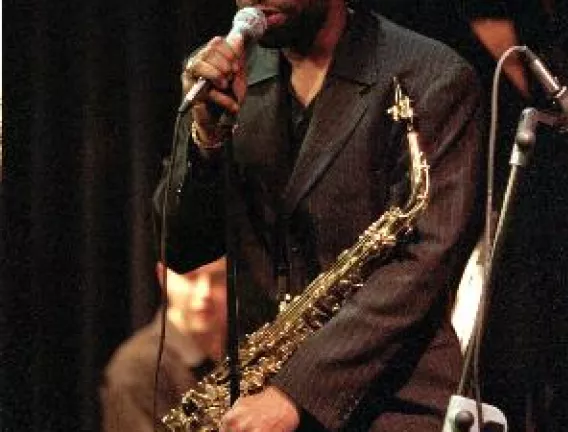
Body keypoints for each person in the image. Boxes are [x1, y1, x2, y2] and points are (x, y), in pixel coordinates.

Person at [153, 0, 485, 429]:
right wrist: (206, 140)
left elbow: (423, 261)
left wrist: (296, 392)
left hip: (393, 407)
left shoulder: (432, 75)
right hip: (257, 404)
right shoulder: (226, 75)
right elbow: (181, 247)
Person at [100, 256, 227, 432]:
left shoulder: (240, 346)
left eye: (218, 277)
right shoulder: (135, 368)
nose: (204, 293)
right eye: (190, 276)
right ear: (163, 276)